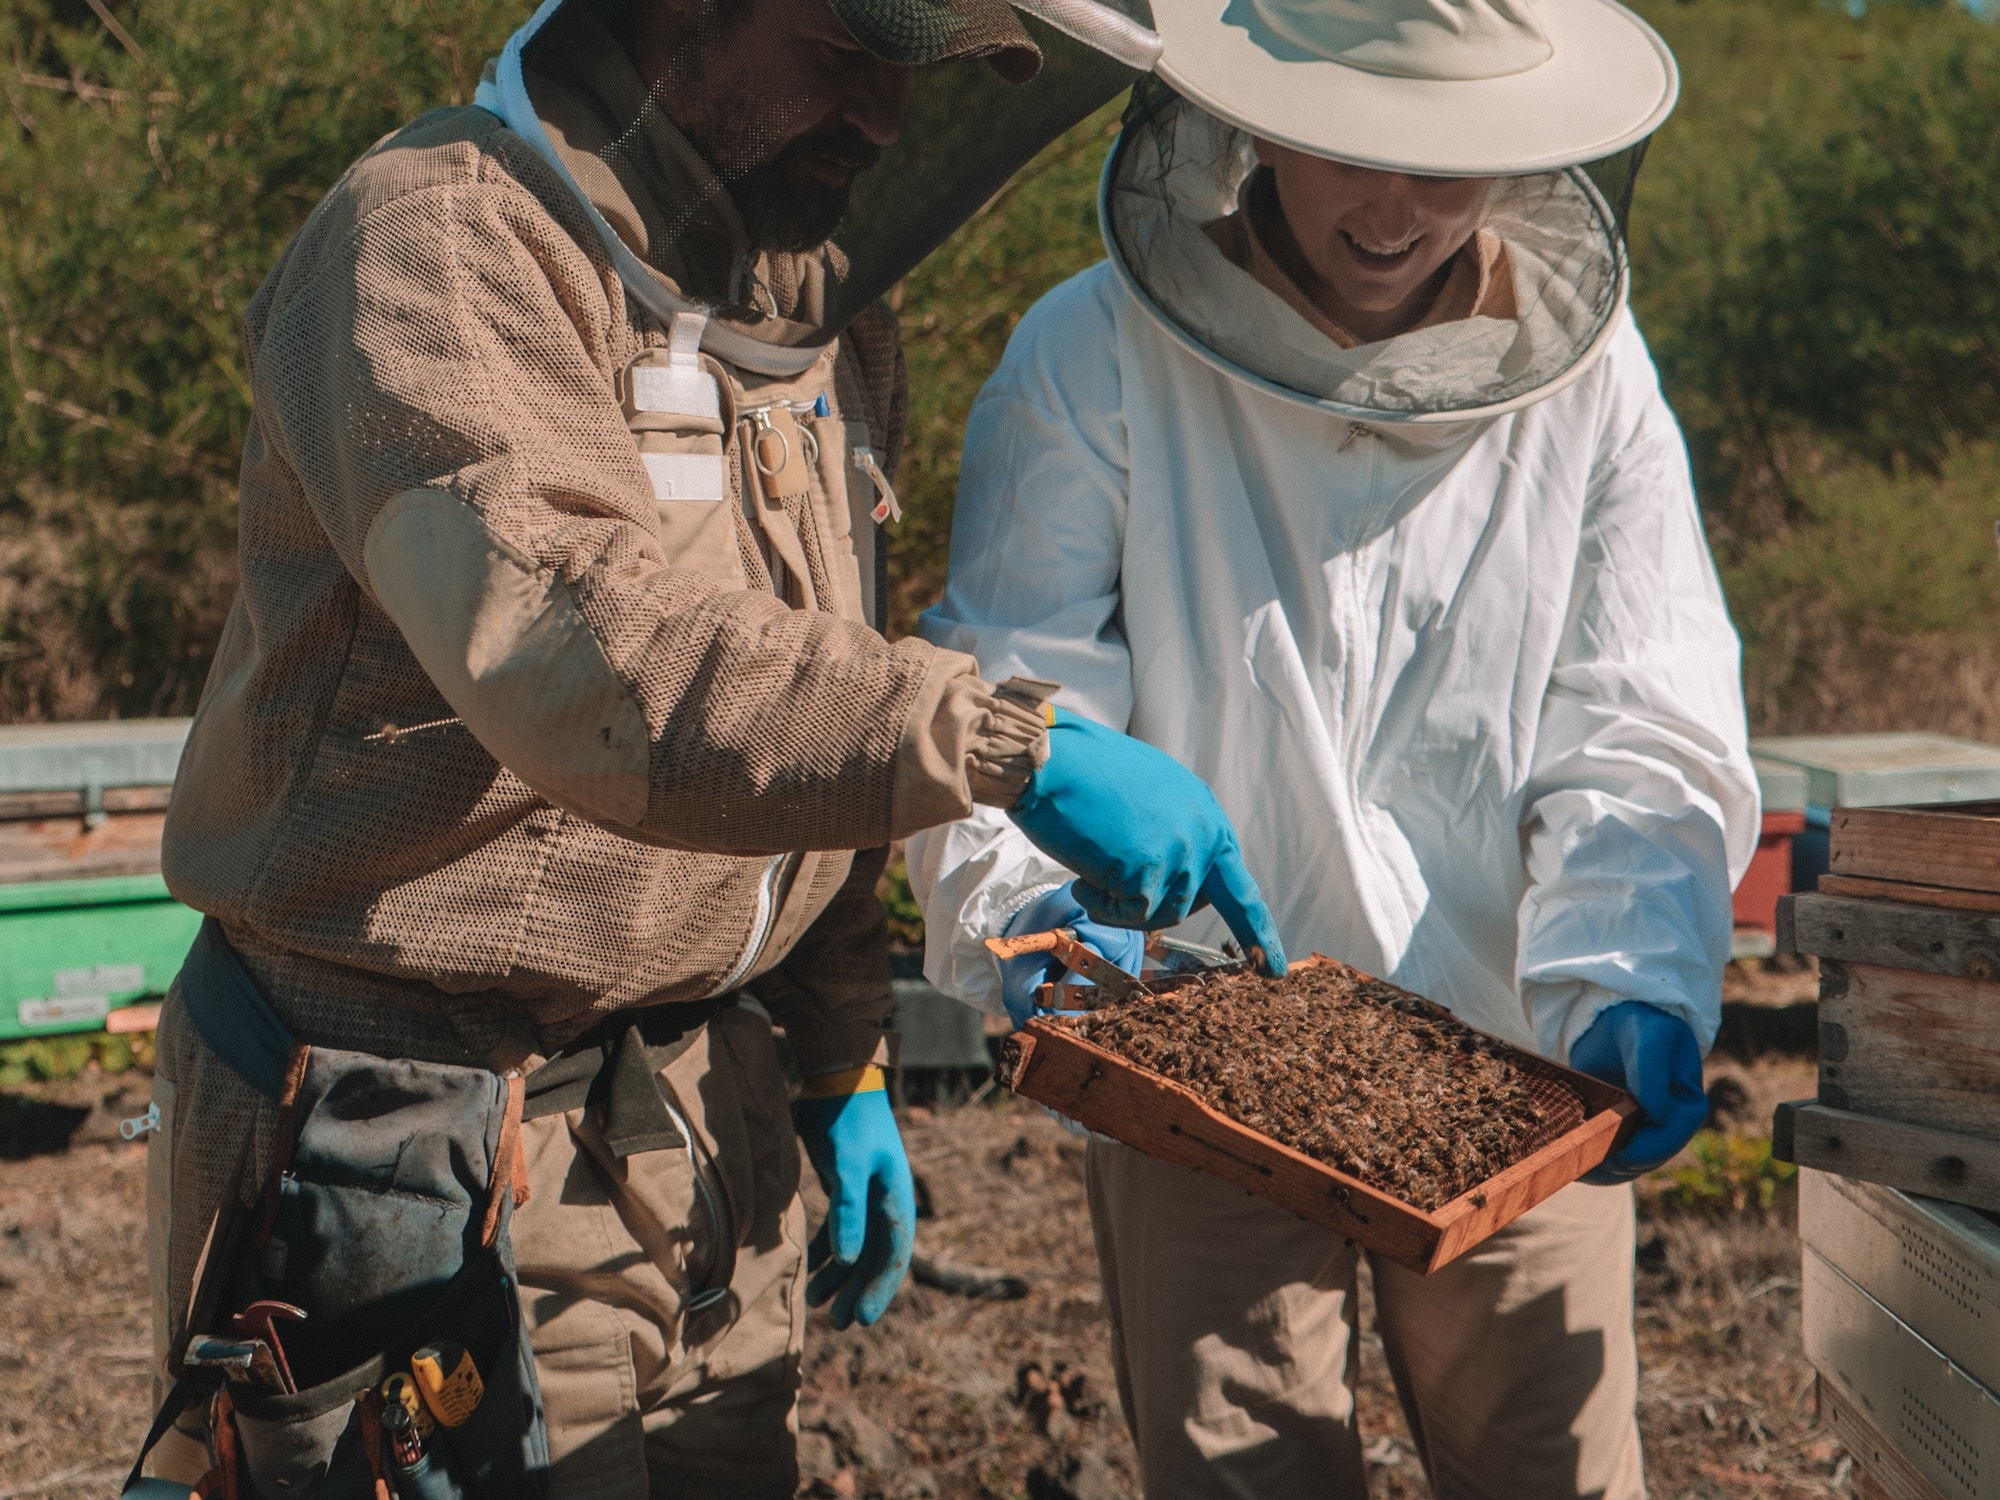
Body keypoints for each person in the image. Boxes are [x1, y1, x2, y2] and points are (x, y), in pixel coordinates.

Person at [140, 0, 1285, 1491]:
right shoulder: (441, 245)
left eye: (916, 70)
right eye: (849, 51)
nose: (886, 117)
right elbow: (575, 646)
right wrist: (1011, 748)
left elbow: (801, 710)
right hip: (420, 1126)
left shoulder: (813, 307)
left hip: (709, 1127)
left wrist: (841, 1056)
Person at [907, 0, 1761, 1492]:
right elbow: (1018, 688)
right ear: (1261, 123)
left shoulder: (1594, 377)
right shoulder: (1093, 349)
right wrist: (1034, 911)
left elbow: (1639, 710)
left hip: (1517, 1058)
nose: (1396, 210)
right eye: (1356, 150)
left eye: (1451, 162)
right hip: (1193, 1047)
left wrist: (1631, 976)